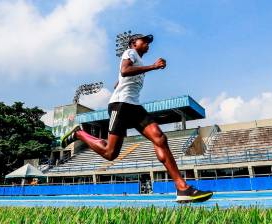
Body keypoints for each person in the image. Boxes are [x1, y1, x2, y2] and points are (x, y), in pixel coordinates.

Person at [61, 33, 213, 203]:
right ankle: (80, 134)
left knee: (160, 138)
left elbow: (122, 78)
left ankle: (182, 188)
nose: (148, 43)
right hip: (121, 105)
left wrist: (119, 83)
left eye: (149, 41)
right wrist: (153, 66)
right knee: (110, 153)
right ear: (134, 43)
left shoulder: (137, 60)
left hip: (134, 106)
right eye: (144, 40)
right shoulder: (130, 53)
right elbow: (125, 70)